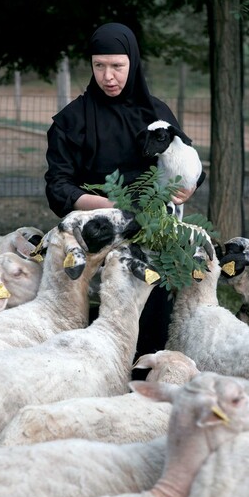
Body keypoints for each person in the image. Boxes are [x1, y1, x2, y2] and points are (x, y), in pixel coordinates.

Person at [45, 22, 205, 357]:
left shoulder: (156, 114)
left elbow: (184, 159)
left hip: (151, 236)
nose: (108, 77)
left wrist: (187, 188)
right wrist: (108, 208)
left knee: (150, 327)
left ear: (132, 63)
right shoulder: (71, 121)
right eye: (99, 66)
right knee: (88, 340)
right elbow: (58, 187)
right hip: (92, 238)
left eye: (117, 66)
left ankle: (142, 393)